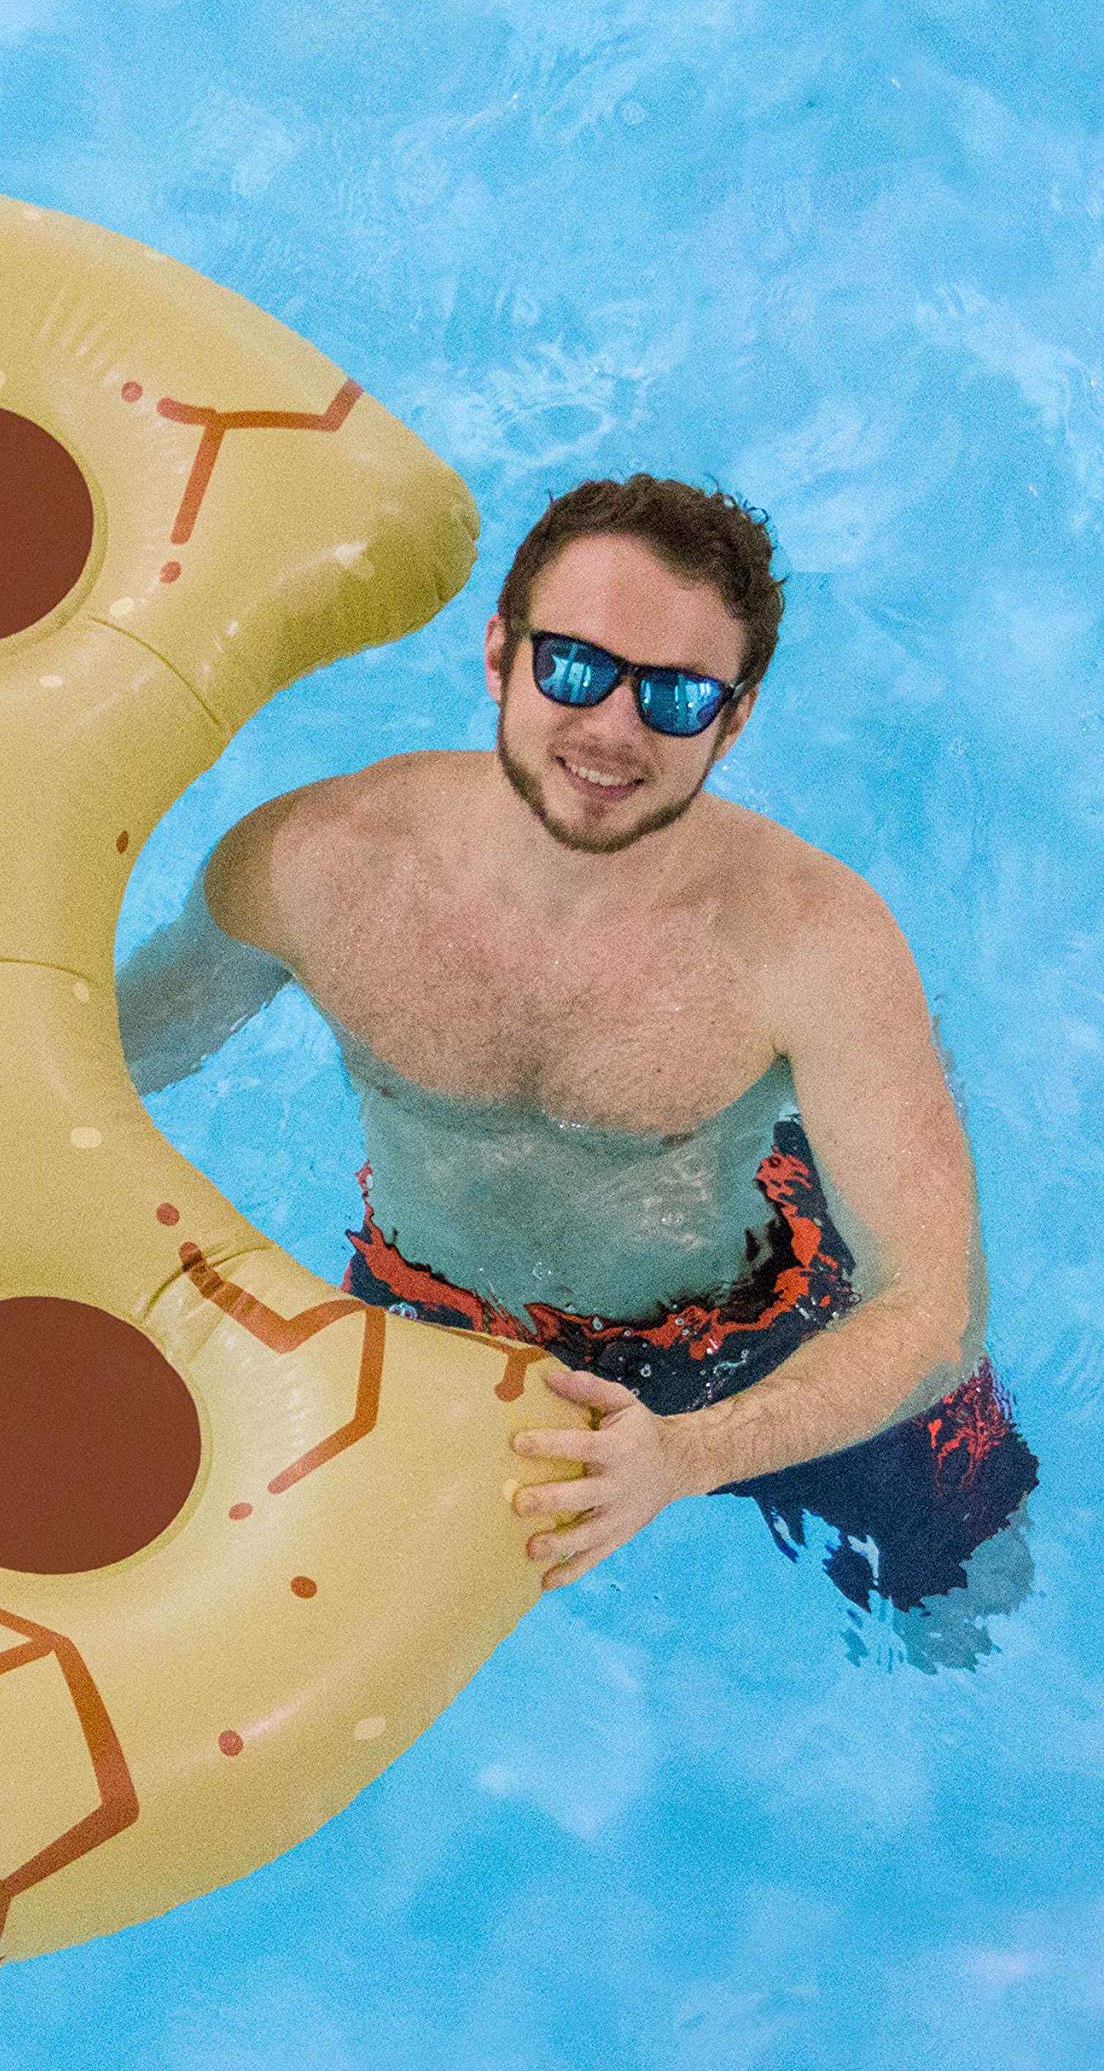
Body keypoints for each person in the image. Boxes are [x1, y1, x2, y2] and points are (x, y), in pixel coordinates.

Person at [115, 475, 1035, 1628]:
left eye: (677, 695)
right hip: (425, 1314)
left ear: (734, 717)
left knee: (974, 1608)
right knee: (293, 1622)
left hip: (754, 1325)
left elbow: (934, 1310)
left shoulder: (813, 942)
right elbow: (107, 1067)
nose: (611, 728)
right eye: (573, 666)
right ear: (498, 653)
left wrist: (689, 1455)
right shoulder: (314, 866)